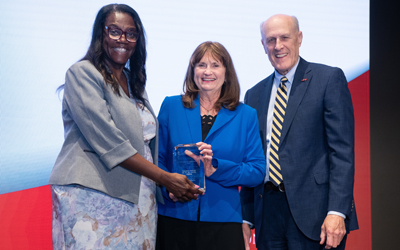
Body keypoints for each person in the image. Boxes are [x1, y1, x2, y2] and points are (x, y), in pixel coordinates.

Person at [48, 4, 202, 249]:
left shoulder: (133, 80)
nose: (123, 39)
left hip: (140, 193)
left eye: (131, 34)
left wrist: (167, 182)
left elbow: (146, 141)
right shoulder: (82, 73)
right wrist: (164, 178)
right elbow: (109, 140)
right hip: (93, 194)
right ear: (101, 34)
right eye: (114, 31)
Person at [240, 14, 358, 250]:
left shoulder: (328, 79)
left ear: (299, 38)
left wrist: (337, 211)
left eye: (285, 37)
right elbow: (252, 158)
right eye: (271, 40)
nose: (278, 46)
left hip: (317, 215)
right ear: (263, 45)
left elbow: (342, 152)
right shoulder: (253, 95)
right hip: (268, 215)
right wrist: (246, 217)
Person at [155, 41, 266, 250]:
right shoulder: (171, 106)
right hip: (174, 215)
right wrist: (168, 186)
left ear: (227, 72)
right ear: (193, 70)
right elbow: (157, 158)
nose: (208, 71)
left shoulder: (246, 115)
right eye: (201, 65)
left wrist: (215, 168)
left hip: (223, 222)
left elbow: (257, 171)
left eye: (215, 65)